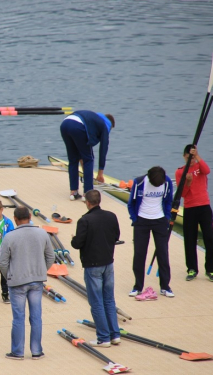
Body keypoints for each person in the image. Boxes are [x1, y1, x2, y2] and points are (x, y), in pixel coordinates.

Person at [0, 206, 55, 360]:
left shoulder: (9, 237)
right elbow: (51, 257)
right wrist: (41, 270)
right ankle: (37, 351)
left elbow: (3, 263)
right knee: (36, 317)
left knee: (18, 318)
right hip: (37, 281)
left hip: (16, 282)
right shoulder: (42, 233)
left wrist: (10, 276)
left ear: (15, 219)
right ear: (30, 216)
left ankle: (18, 352)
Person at [71, 190, 121, 347]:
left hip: (93, 266)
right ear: (99, 201)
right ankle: (115, 334)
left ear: (87, 202)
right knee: (109, 299)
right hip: (108, 262)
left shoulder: (84, 220)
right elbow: (116, 236)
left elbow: (77, 243)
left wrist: (74, 239)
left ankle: (103, 338)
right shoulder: (111, 216)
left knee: (96, 302)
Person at [127, 166, 174, 298]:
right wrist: (135, 219)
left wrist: (166, 218)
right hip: (141, 221)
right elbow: (131, 203)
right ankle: (138, 286)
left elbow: (169, 200)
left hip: (160, 221)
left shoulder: (167, 182)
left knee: (163, 254)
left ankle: (165, 287)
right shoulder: (139, 182)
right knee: (139, 254)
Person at [175, 145, 213, 282]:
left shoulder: (199, 167)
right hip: (190, 208)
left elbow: (207, 170)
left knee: (210, 237)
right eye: (188, 157)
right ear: (184, 156)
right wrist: (188, 183)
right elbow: (183, 194)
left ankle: (210, 269)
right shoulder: (180, 172)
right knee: (190, 239)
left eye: (193, 157)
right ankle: (192, 269)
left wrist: (197, 155)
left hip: (204, 207)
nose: (191, 160)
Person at [59, 110, 115, 200]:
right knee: (89, 159)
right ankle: (88, 194)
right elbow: (103, 149)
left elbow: (81, 149)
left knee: (73, 159)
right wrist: (100, 173)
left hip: (65, 124)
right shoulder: (105, 125)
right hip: (77, 126)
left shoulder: (94, 118)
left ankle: (73, 192)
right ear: (110, 125)